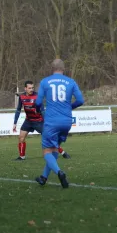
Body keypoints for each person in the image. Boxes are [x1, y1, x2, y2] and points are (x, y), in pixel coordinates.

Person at [34, 59, 84, 188]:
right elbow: (80, 100)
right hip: (66, 121)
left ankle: (59, 173)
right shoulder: (71, 82)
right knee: (54, 149)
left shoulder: (45, 82)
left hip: (52, 121)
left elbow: (38, 103)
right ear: (64, 69)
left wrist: (41, 111)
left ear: (52, 68)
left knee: (46, 151)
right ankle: (43, 178)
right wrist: (69, 108)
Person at [13, 80, 70, 161]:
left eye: (32, 88)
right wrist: (15, 123)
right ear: (25, 88)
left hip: (38, 121)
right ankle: (22, 157)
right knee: (21, 138)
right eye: (29, 88)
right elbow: (18, 110)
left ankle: (63, 152)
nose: (31, 89)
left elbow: (42, 110)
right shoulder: (22, 97)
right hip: (28, 121)